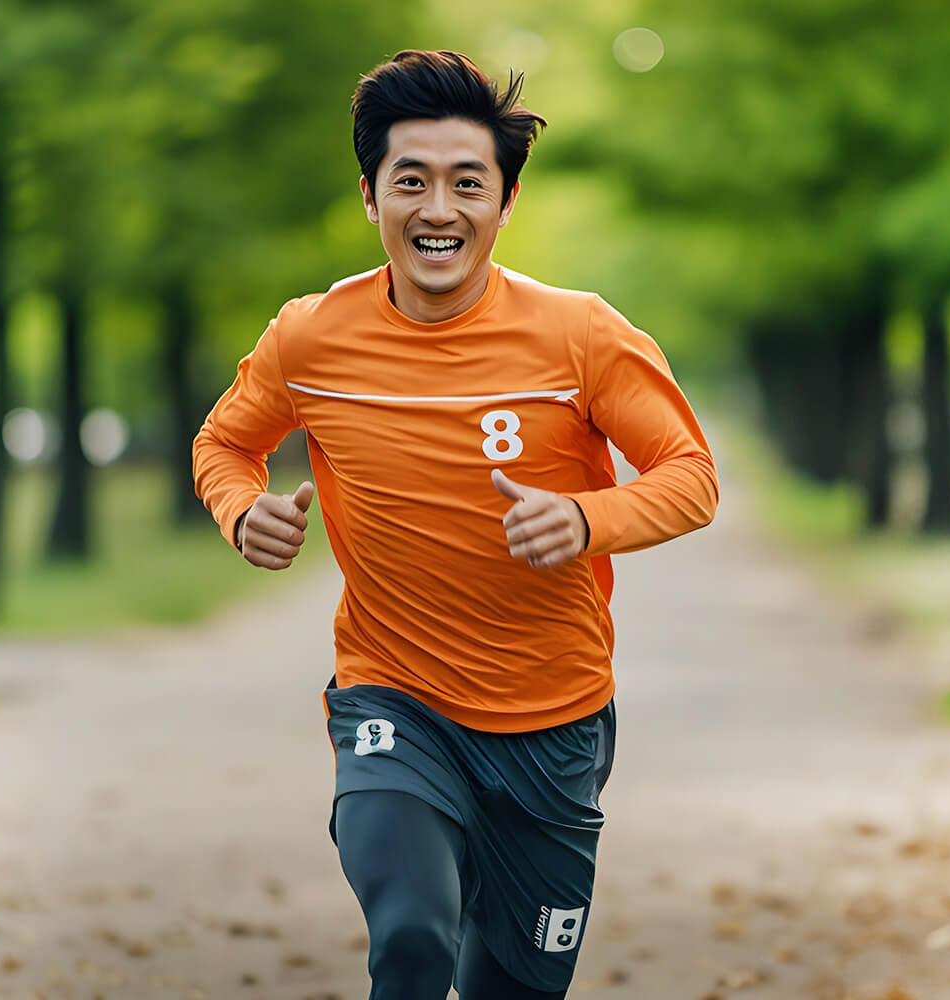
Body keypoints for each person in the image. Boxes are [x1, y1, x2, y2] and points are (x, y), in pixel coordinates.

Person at [191, 49, 717, 999]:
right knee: (412, 938)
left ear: (506, 202)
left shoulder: (582, 334)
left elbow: (691, 477)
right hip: (394, 703)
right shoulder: (309, 337)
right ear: (370, 196)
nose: (439, 209)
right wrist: (240, 511)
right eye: (412, 181)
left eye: (468, 183)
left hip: (553, 722)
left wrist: (587, 518)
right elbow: (224, 445)